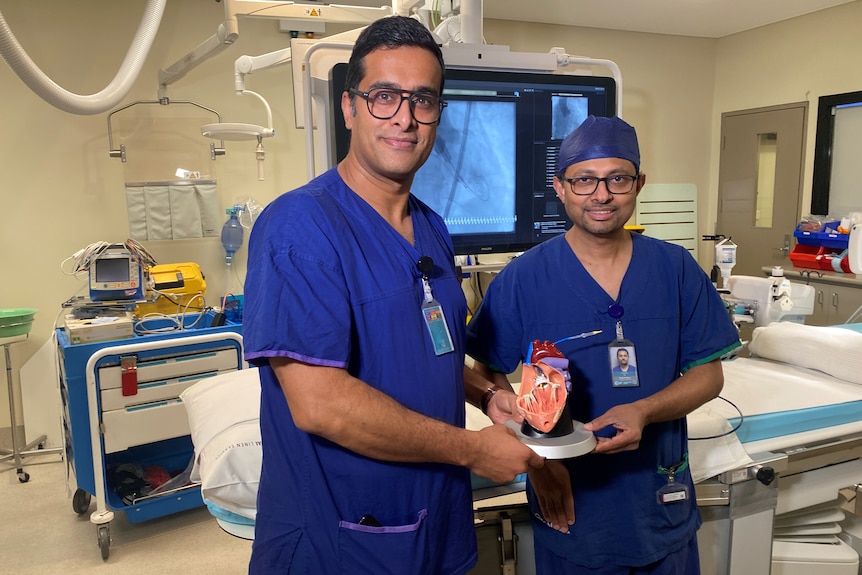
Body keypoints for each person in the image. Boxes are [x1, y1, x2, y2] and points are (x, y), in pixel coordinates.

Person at [242, 16, 544, 574]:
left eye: (423, 100)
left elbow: (420, 350)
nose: (404, 118)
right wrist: (474, 449)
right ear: (350, 107)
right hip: (344, 539)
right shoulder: (300, 228)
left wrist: (483, 395)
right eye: (384, 96)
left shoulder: (430, 226)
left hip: (436, 523)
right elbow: (320, 403)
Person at [466, 115, 741, 574]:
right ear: (560, 187)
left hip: (659, 498)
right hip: (571, 502)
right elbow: (487, 374)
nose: (601, 194)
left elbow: (709, 374)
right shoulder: (522, 279)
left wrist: (644, 411)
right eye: (584, 180)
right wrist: (539, 459)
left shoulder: (675, 269)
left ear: (639, 184)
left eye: (617, 178)